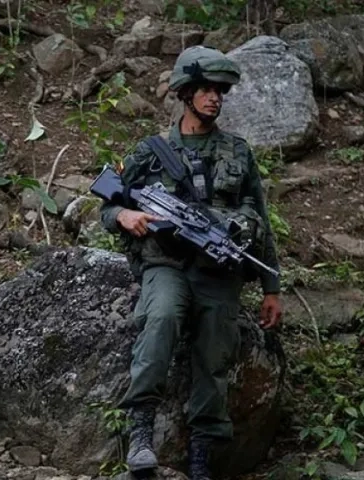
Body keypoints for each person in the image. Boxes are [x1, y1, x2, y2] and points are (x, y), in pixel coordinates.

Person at [98, 45, 283, 479]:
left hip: (218, 270)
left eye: (219, 90)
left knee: (215, 352)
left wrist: (272, 288)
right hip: (167, 264)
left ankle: (201, 458)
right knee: (160, 318)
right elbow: (108, 200)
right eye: (204, 89)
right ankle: (141, 433)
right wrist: (125, 215)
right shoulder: (152, 151)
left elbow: (261, 218)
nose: (214, 97)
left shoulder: (238, 152)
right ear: (185, 93)